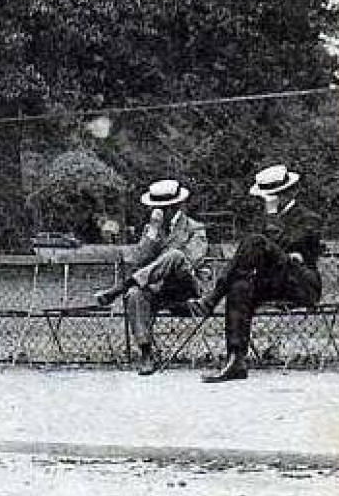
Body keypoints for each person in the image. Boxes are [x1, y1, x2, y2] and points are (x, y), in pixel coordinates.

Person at [192, 164, 323, 384]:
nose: (267, 201)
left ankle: (213, 297)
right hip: (272, 281)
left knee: (256, 240)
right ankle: (236, 360)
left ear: (289, 192)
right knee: (239, 287)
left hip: (301, 284)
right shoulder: (263, 220)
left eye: (272, 196)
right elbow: (252, 255)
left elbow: (280, 245)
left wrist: (272, 217)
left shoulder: (309, 218)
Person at [93, 178, 209, 375]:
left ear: (178, 205)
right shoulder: (151, 231)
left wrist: (162, 262)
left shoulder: (195, 228)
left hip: (185, 289)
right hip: (157, 292)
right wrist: (153, 233)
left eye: (166, 206)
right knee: (134, 293)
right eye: (157, 207)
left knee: (176, 256)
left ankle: (117, 289)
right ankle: (146, 354)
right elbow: (139, 261)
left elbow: (193, 260)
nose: (161, 211)